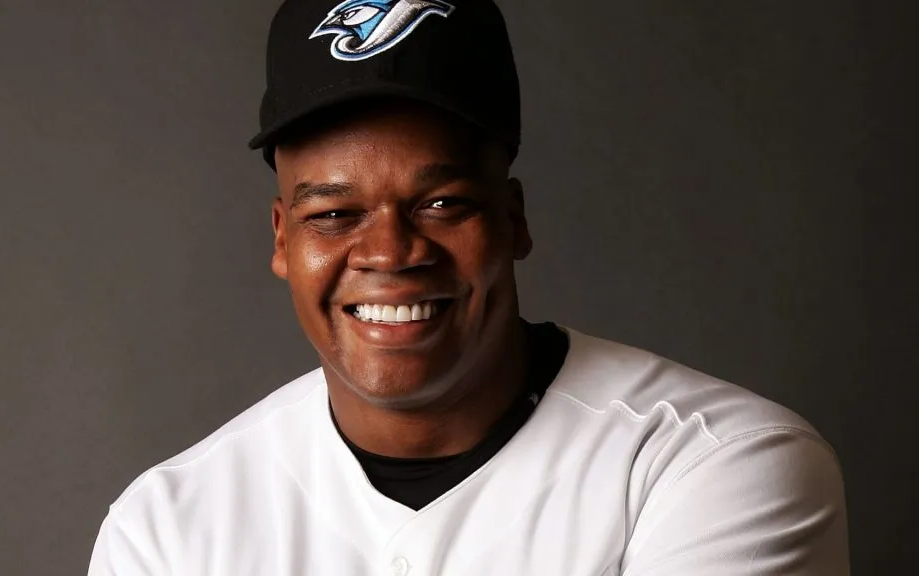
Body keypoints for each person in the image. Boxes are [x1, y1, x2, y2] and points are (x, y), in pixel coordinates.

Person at [88, 0, 850, 574]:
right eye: (335, 213)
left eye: (441, 203)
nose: (389, 250)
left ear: (512, 220)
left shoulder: (709, 464)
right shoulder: (168, 528)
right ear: (284, 240)